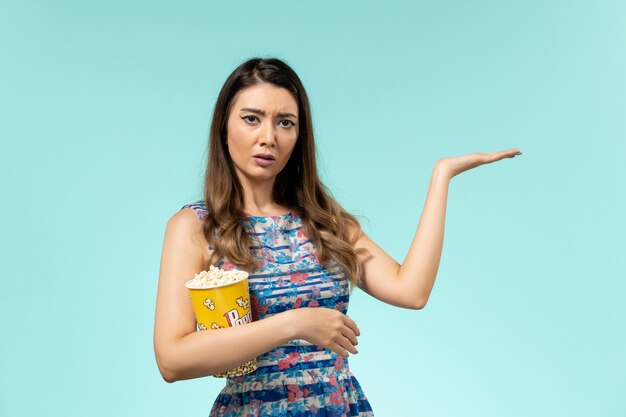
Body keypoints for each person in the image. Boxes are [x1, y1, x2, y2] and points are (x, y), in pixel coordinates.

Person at [153, 57, 522, 416]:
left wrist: (442, 177)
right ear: (224, 127)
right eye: (251, 119)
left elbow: (412, 291)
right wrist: (294, 323)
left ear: (300, 135)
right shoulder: (196, 227)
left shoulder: (324, 221)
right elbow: (172, 360)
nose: (268, 137)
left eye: (285, 123)